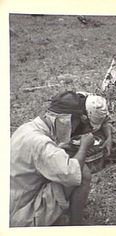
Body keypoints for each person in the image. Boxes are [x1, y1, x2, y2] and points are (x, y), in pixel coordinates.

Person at [10, 91, 94, 227]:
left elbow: (43, 155)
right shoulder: (41, 143)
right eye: (74, 125)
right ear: (66, 120)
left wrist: (59, 147)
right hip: (22, 215)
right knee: (83, 173)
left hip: (11, 204)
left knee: (64, 161)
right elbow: (72, 174)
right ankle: (76, 227)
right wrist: (84, 147)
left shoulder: (27, 128)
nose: (73, 130)